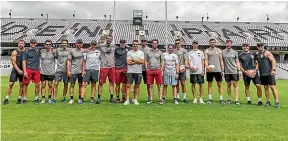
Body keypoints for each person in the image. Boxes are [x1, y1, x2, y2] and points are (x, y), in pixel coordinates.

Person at [256, 43, 280, 108]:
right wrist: (255, 70)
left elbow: (273, 61)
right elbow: (257, 63)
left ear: (263, 46)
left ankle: (277, 102)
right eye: (259, 46)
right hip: (262, 74)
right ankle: (268, 101)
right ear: (257, 47)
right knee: (266, 88)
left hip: (269, 73)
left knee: (272, 87)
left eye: (261, 46)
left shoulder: (267, 52)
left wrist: (273, 69)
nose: (260, 47)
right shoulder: (257, 54)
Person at [3, 40, 26, 105]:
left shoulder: (26, 52)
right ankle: (6, 98)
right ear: (18, 44)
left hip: (23, 70)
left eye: (22, 43)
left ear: (24, 44)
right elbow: (13, 62)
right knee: (11, 84)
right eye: (19, 43)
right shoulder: (14, 52)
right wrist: (18, 70)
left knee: (21, 84)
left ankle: (19, 98)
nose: (21, 44)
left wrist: (24, 70)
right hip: (15, 70)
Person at [204, 38, 225, 104]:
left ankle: (221, 99)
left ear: (215, 43)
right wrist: (207, 67)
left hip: (218, 70)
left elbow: (221, 60)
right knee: (209, 84)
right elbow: (206, 60)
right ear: (209, 43)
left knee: (219, 84)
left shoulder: (219, 50)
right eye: (211, 42)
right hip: (210, 70)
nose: (212, 43)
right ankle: (210, 99)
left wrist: (222, 70)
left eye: (213, 42)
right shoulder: (207, 51)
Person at [124, 40, 145, 105]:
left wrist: (133, 60)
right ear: (132, 45)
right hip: (130, 71)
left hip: (138, 71)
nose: (135, 45)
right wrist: (137, 61)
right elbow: (128, 62)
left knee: (137, 85)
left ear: (138, 45)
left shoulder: (141, 52)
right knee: (128, 85)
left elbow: (142, 62)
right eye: (134, 44)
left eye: (136, 44)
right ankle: (127, 100)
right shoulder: (129, 52)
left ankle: (135, 99)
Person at [97, 35, 116, 104]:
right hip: (104, 67)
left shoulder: (114, 46)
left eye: (110, 39)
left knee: (111, 83)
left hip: (112, 67)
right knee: (101, 83)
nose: (109, 40)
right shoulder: (101, 46)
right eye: (108, 38)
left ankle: (111, 97)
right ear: (106, 39)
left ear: (112, 39)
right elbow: (93, 47)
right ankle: (98, 98)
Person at [22, 39, 42, 104]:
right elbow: (24, 61)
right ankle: (24, 98)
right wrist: (24, 71)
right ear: (30, 43)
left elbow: (47, 49)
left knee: (37, 84)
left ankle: (36, 98)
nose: (33, 44)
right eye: (32, 43)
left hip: (36, 70)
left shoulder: (38, 50)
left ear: (36, 43)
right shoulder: (26, 51)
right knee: (25, 84)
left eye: (34, 43)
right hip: (28, 69)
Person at [222, 40, 241, 105]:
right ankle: (229, 99)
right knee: (228, 85)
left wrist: (239, 70)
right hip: (227, 71)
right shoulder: (222, 52)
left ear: (231, 44)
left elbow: (237, 61)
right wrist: (222, 70)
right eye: (227, 43)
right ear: (225, 44)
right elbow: (221, 62)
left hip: (234, 70)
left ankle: (236, 100)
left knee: (235, 85)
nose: (228, 44)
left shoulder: (235, 52)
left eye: (230, 43)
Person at [145, 39, 163, 104]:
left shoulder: (160, 52)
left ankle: (160, 99)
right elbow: (146, 60)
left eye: (155, 43)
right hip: (150, 70)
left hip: (157, 70)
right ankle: (151, 99)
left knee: (159, 85)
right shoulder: (148, 51)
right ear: (152, 44)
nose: (154, 44)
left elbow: (162, 61)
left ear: (157, 44)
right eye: (153, 43)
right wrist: (146, 68)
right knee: (150, 85)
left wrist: (161, 69)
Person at [67, 39, 85, 104]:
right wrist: (68, 70)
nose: (79, 44)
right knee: (72, 85)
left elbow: (84, 61)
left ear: (82, 44)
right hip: (73, 71)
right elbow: (69, 61)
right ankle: (71, 99)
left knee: (80, 85)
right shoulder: (72, 51)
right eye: (78, 43)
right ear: (76, 43)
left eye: (81, 43)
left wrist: (83, 70)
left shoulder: (83, 51)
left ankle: (80, 98)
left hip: (80, 71)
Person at [54, 39, 70, 103]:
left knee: (66, 84)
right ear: (61, 44)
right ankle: (54, 98)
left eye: (65, 43)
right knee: (55, 84)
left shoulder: (69, 51)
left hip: (66, 70)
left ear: (67, 44)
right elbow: (56, 57)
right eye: (63, 43)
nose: (64, 44)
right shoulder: (58, 50)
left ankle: (64, 98)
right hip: (59, 69)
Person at [40, 40, 56, 104]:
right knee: (43, 85)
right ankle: (43, 98)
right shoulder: (41, 51)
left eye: (49, 44)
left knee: (50, 85)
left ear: (51, 45)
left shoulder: (53, 52)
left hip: (51, 72)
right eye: (47, 44)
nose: (48, 45)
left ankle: (49, 98)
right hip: (43, 72)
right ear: (44, 45)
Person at [173, 39, 188, 103]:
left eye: (178, 43)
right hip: (175, 69)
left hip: (182, 69)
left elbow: (186, 59)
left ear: (180, 43)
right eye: (176, 43)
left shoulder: (184, 50)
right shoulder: (173, 51)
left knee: (183, 82)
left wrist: (185, 66)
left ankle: (184, 97)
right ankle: (178, 97)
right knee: (176, 83)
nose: (177, 44)